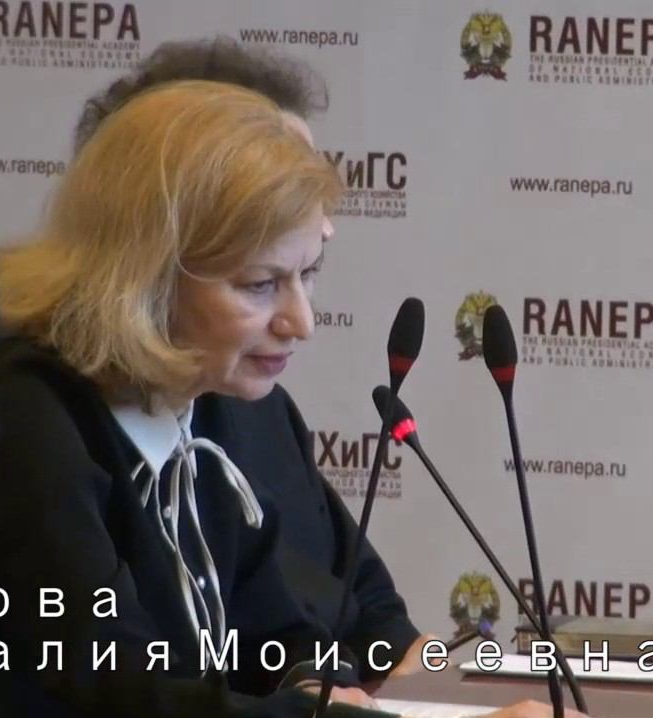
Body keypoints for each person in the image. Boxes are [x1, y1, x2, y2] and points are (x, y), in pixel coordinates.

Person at [0, 78, 574, 718]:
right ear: (145, 277)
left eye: (308, 274)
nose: (302, 322)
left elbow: (289, 623)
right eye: (261, 285)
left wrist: (342, 682)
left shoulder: (214, 405)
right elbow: (120, 696)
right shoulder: (24, 425)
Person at [71, 35, 434, 681]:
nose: (322, 221)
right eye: (261, 280)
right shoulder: (39, 429)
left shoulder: (243, 413)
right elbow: (125, 688)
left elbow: (341, 620)